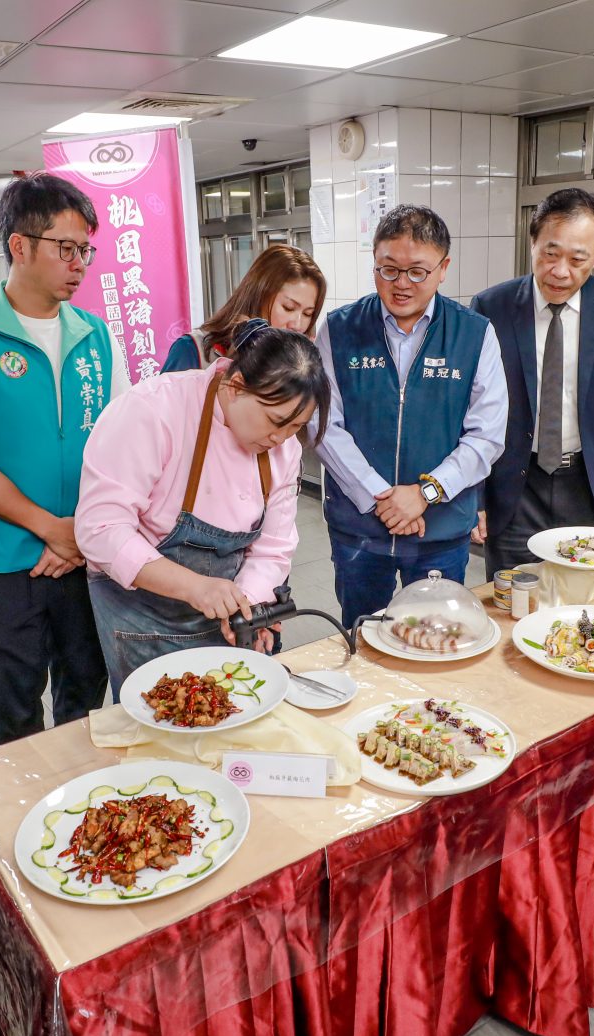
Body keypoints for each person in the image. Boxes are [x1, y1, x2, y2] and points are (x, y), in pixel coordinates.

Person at [0, 172, 129, 743]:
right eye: (66, 248)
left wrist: (79, 534)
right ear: (19, 245)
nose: (80, 262)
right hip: (4, 563)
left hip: (85, 553)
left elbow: (121, 448)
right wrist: (51, 530)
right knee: (15, 712)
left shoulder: (96, 334)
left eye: (86, 249)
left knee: (85, 701)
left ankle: (84, 815)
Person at [78, 321, 326, 691]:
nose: (281, 439)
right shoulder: (154, 411)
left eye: (296, 428)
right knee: (163, 727)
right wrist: (195, 587)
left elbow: (274, 547)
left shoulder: (282, 447)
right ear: (237, 385)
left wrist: (251, 606)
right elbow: (100, 529)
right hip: (143, 618)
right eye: (276, 422)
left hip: (226, 620)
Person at [315, 204, 506, 627]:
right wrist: (379, 496)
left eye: (417, 271)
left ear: (443, 269)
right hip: (359, 531)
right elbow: (323, 425)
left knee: (436, 640)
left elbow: (486, 437)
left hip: (439, 533)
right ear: (375, 263)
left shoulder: (474, 334)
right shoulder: (338, 329)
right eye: (388, 269)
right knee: (363, 639)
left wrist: (424, 494)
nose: (401, 284)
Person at [471, 187, 594, 571]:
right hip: (514, 488)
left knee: (585, 604)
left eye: (577, 258)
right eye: (550, 254)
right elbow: (471, 410)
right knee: (513, 600)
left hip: (589, 487)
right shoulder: (492, 307)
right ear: (532, 242)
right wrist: (476, 499)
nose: (560, 271)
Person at [161, 244, 325, 372]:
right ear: (258, 296)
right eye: (288, 308)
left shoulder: (300, 364)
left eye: (307, 314)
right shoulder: (194, 352)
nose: (297, 324)